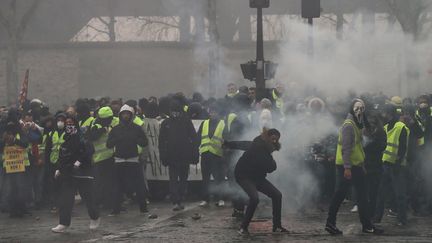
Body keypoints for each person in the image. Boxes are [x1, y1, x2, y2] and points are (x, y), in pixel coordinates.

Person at [325, 98, 383, 235]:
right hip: (347, 167)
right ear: (352, 109)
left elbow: (357, 148)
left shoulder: (357, 124)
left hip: (355, 166)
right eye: (357, 108)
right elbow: (346, 148)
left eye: (362, 108)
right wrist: (347, 168)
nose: (359, 110)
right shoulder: (349, 125)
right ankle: (330, 223)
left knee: (362, 196)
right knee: (340, 196)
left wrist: (360, 164)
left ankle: (367, 225)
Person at [227, 128, 288, 235]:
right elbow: (271, 167)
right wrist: (228, 144)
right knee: (254, 199)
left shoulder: (266, 148)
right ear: (268, 137)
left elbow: (243, 145)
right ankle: (243, 228)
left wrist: (229, 144)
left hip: (258, 178)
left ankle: (277, 226)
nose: (274, 141)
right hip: (244, 176)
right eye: (273, 139)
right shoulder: (258, 146)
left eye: (276, 140)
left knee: (277, 195)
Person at [51, 115, 100, 233]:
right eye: (66, 123)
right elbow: (63, 155)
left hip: (83, 173)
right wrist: (59, 168)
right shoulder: (66, 138)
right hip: (69, 173)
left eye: (70, 123)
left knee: (88, 197)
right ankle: (63, 223)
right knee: (66, 199)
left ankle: (95, 217)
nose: (68, 125)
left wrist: (79, 161)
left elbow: (89, 150)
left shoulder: (82, 136)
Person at [106, 104, 148, 216]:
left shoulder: (137, 128)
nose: (125, 116)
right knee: (118, 187)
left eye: (127, 114)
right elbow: (108, 144)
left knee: (139, 186)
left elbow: (145, 142)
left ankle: (143, 208)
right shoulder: (115, 130)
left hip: (133, 160)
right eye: (123, 114)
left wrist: (136, 139)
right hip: (119, 160)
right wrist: (117, 139)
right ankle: (116, 209)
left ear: (131, 115)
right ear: (120, 116)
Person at [159, 101, 199, 211]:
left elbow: (194, 138)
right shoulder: (166, 123)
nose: (175, 114)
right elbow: (161, 141)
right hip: (172, 156)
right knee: (173, 179)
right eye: (173, 111)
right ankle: (175, 201)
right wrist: (163, 155)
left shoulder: (186, 122)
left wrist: (194, 154)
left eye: (177, 111)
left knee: (183, 180)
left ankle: (180, 198)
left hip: (184, 155)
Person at [375, 104, 410, 226]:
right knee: (381, 193)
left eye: (387, 113)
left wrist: (398, 162)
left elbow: (403, 148)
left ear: (393, 113)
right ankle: (377, 217)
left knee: (400, 194)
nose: (386, 115)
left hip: (397, 166)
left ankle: (402, 219)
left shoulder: (401, 127)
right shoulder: (385, 127)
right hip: (385, 164)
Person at [88, 106, 119, 209]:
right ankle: (98, 202)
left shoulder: (113, 123)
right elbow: (91, 136)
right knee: (99, 183)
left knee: (111, 182)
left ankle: (110, 202)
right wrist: (102, 130)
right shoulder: (95, 126)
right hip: (100, 158)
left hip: (111, 157)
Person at [197, 104, 227, 207]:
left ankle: (220, 198)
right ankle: (205, 199)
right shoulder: (204, 123)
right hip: (205, 154)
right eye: (211, 112)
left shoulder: (223, 124)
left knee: (219, 178)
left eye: (214, 112)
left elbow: (226, 139)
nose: (212, 114)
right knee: (205, 178)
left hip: (217, 155)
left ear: (218, 113)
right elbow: (198, 137)